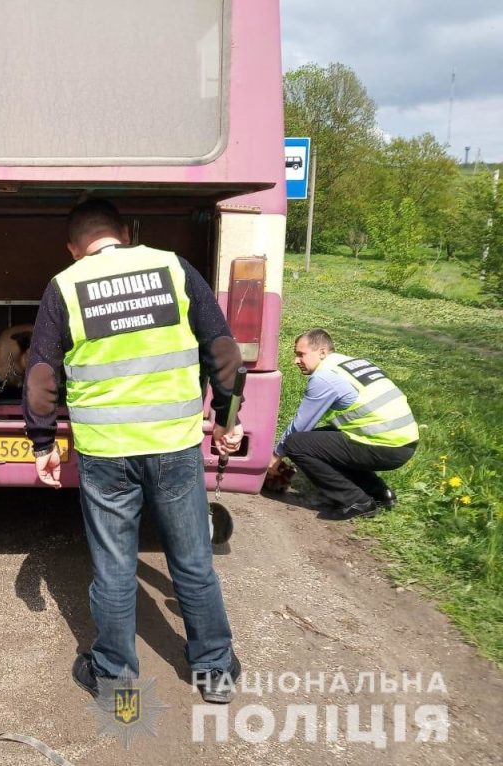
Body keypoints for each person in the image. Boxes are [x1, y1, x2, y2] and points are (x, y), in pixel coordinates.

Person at [23, 199, 244, 704]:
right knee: (191, 561)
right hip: (174, 445)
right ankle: (214, 671)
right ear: (125, 232)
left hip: (105, 454)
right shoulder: (173, 267)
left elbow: (40, 379)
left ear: (73, 248)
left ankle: (114, 675)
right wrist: (227, 421)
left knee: (115, 566)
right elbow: (225, 353)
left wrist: (43, 443)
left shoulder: (65, 285)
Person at [269, 328, 419, 518]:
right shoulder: (354, 363)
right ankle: (380, 493)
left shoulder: (324, 377)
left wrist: (275, 457)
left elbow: (300, 425)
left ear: (322, 352)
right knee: (318, 440)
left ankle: (356, 501)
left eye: (301, 354)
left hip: (386, 445)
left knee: (296, 444)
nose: (296, 361)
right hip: (403, 441)